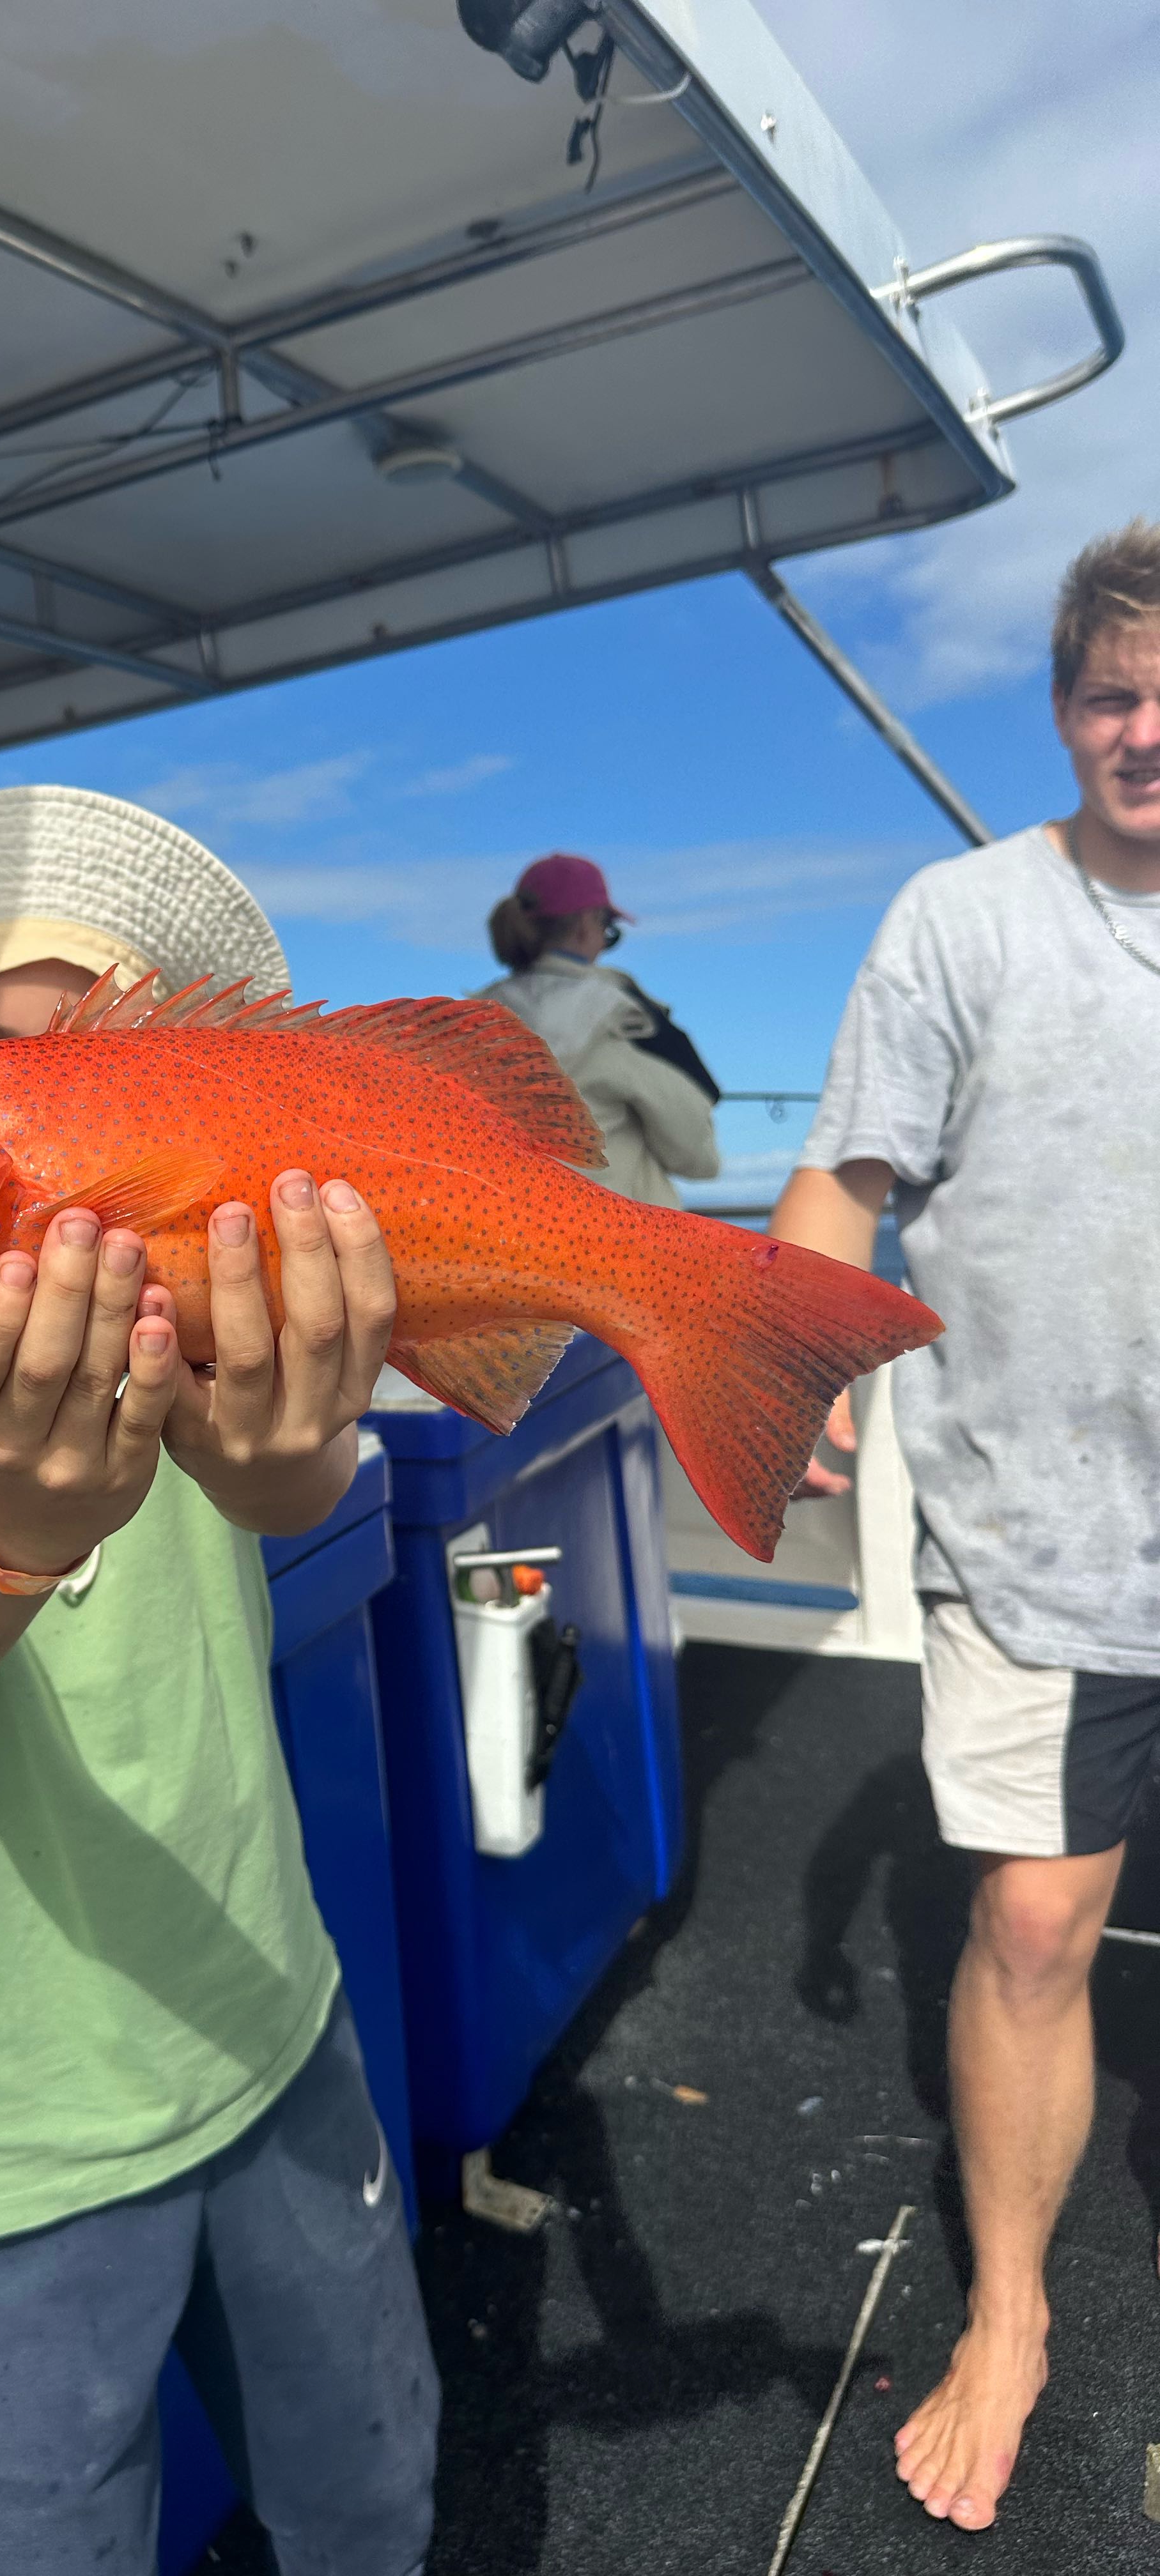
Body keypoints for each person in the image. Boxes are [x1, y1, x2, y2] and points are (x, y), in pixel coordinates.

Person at [0, 785, 437, 2576]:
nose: (36, 1088)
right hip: (2, 2102)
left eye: (92, 1050)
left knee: (366, 2503)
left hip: (266, 2002)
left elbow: (273, 1480)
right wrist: (8, 1522)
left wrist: (297, 1446)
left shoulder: (206, 1258)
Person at [770, 520, 1160, 2533]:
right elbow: (843, 1187)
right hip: (1034, 1529)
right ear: (1064, 707)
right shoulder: (958, 921)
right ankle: (1009, 2311)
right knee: (1028, 1924)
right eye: (1111, 693)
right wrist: (801, 1359)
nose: (1145, 730)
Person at [479, 851, 720, 1205]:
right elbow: (699, 1159)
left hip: (507, 1241)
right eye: (609, 929)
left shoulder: (476, 1024)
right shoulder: (624, 1019)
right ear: (587, 924)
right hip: (619, 1248)